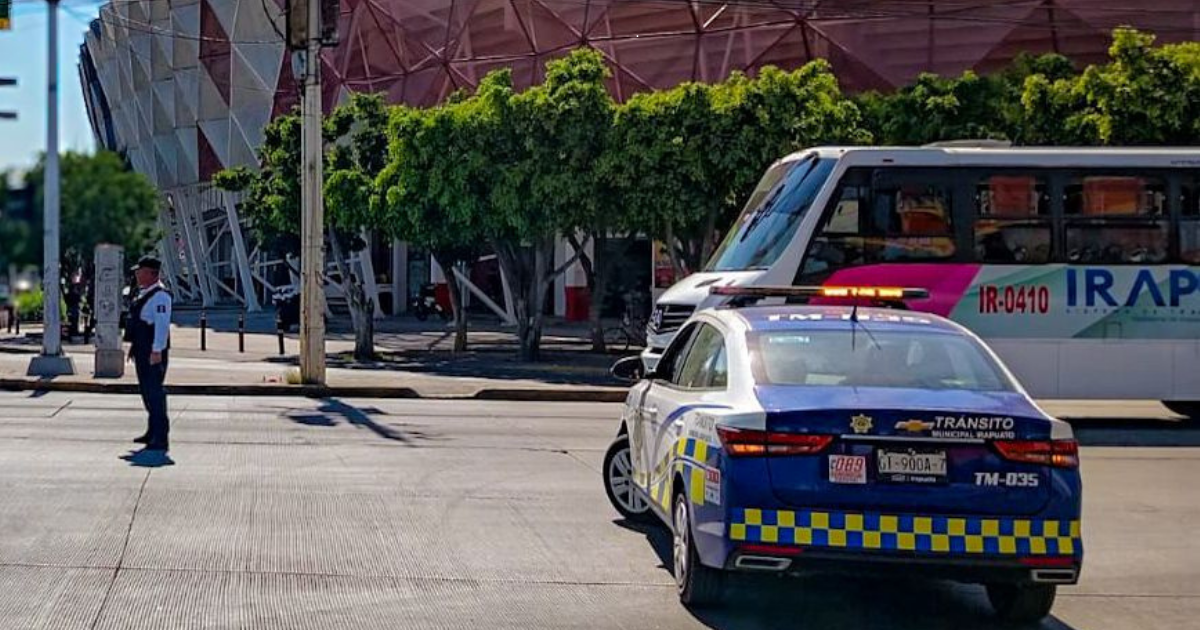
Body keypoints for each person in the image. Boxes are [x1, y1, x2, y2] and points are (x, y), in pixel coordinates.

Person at [121, 256, 173, 465]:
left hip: (153, 352)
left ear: (151, 273)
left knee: (155, 393)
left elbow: (161, 325)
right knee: (147, 393)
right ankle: (152, 431)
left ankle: (160, 437)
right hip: (143, 350)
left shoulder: (160, 296)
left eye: (140, 271)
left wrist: (157, 350)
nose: (137, 274)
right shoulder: (145, 293)